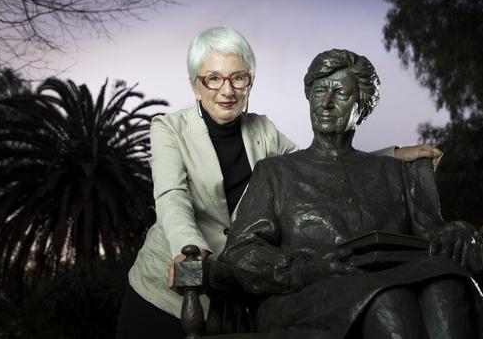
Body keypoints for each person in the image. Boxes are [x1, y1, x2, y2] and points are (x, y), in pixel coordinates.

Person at [115, 28, 443, 339]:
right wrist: (189, 249)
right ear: (195, 85)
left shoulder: (264, 130)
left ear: (250, 82)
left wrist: (391, 157)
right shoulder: (169, 128)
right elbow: (172, 197)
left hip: (233, 289)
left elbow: (315, 165)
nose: (226, 91)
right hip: (169, 284)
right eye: (213, 79)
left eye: (238, 78)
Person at [219, 49, 483, 339]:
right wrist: (304, 270)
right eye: (320, 91)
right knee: (387, 299)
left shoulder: (393, 172)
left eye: (341, 94)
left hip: (392, 280)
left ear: (364, 105)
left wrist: (459, 232)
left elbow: (433, 231)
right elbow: (241, 251)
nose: (327, 103)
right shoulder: (275, 172)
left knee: (445, 287)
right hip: (305, 295)